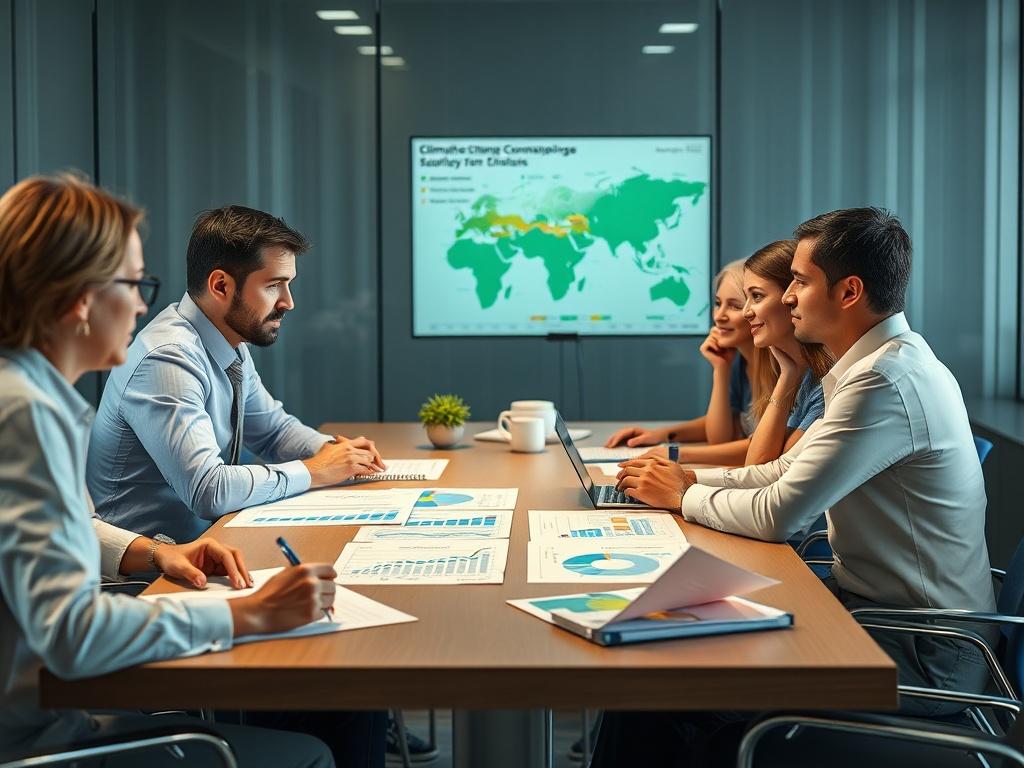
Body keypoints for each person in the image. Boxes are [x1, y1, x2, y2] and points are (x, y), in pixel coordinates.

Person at [600, 207, 996, 767]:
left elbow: (781, 513)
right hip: (872, 617)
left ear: (849, 291)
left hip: (922, 649)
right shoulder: (874, 367)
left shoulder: (884, 382)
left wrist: (682, 495)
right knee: (661, 666)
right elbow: (779, 472)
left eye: (801, 282)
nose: (787, 297)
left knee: (664, 684)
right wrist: (687, 479)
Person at [0, 174, 339, 766]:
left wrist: (154, 552)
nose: (140, 304)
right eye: (134, 283)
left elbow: (72, 528)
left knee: (321, 700)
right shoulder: (25, 415)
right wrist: (245, 613)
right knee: (313, 740)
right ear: (80, 297)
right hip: (43, 737)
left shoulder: (28, 395)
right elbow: (72, 634)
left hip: (55, 700)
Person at [87, 205, 386, 544]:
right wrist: (316, 469)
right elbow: (208, 490)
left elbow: (273, 432)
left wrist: (335, 452)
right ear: (220, 286)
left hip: (206, 550)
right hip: (147, 578)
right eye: (274, 285)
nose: (289, 302)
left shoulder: (228, 342)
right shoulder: (168, 359)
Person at [604, 260, 758, 462]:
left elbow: (762, 446)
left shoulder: (784, 369)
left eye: (734, 306)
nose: (719, 316)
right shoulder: (739, 363)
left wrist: (674, 453)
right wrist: (660, 435)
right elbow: (720, 434)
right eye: (718, 303)